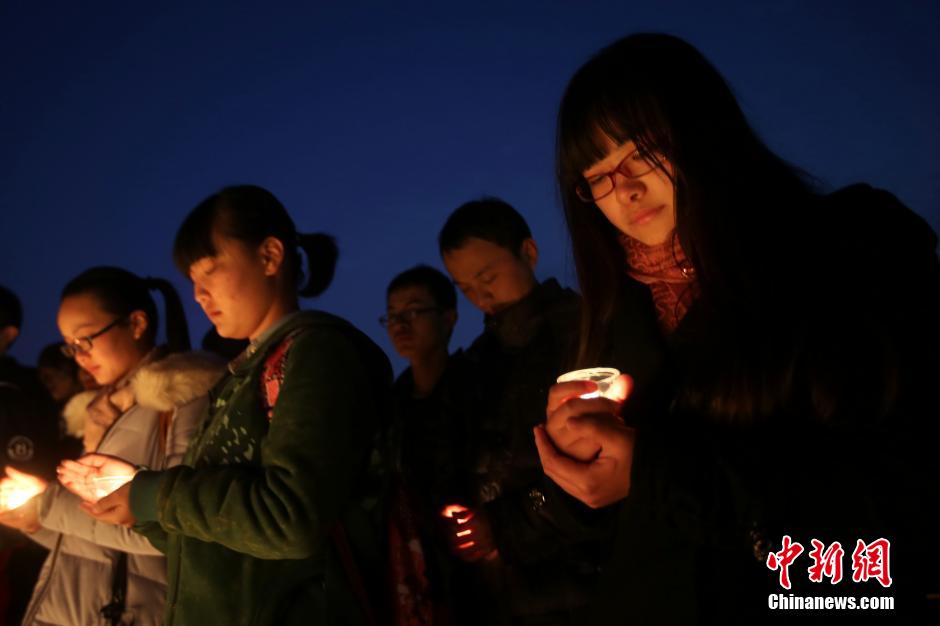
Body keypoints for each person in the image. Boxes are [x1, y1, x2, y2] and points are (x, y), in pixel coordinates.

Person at [533, 32, 940, 624]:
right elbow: (624, 538)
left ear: (701, 128)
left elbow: (901, 502)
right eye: (596, 176)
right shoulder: (617, 317)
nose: (623, 190)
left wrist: (656, 474)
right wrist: (578, 481)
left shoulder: (846, 255)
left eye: (640, 150)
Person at [60, 185, 393, 626]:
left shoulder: (317, 354)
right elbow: (224, 542)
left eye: (210, 273)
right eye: (192, 283)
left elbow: (289, 519)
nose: (199, 295)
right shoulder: (241, 376)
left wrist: (153, 493)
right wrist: (140, 507)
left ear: (270, 257)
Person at [436, 198, 660, 625]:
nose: (481, 296)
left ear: (529, 252)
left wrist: (502, 527)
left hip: (588, 584)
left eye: (488, 276)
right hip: (507, 594)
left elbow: (598, 467)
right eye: (465, 287)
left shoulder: (583, 330)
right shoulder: (477, 363)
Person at [0, 268, 218, 626]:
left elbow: (177, 530)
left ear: (136, 324)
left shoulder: (182, 396)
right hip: (75, 608)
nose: (78, 356)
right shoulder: (100, 409)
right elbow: (92, 541)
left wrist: (48, 505)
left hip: (131, 612)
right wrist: (36, 522)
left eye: (85, 340)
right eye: (70, 346)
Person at [381, 264, 464, 623]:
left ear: (448, 318)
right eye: (392, 316)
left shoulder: (473, 384)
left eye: (413, 312)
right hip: (417, 564)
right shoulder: (390, 404)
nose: (400, 325)